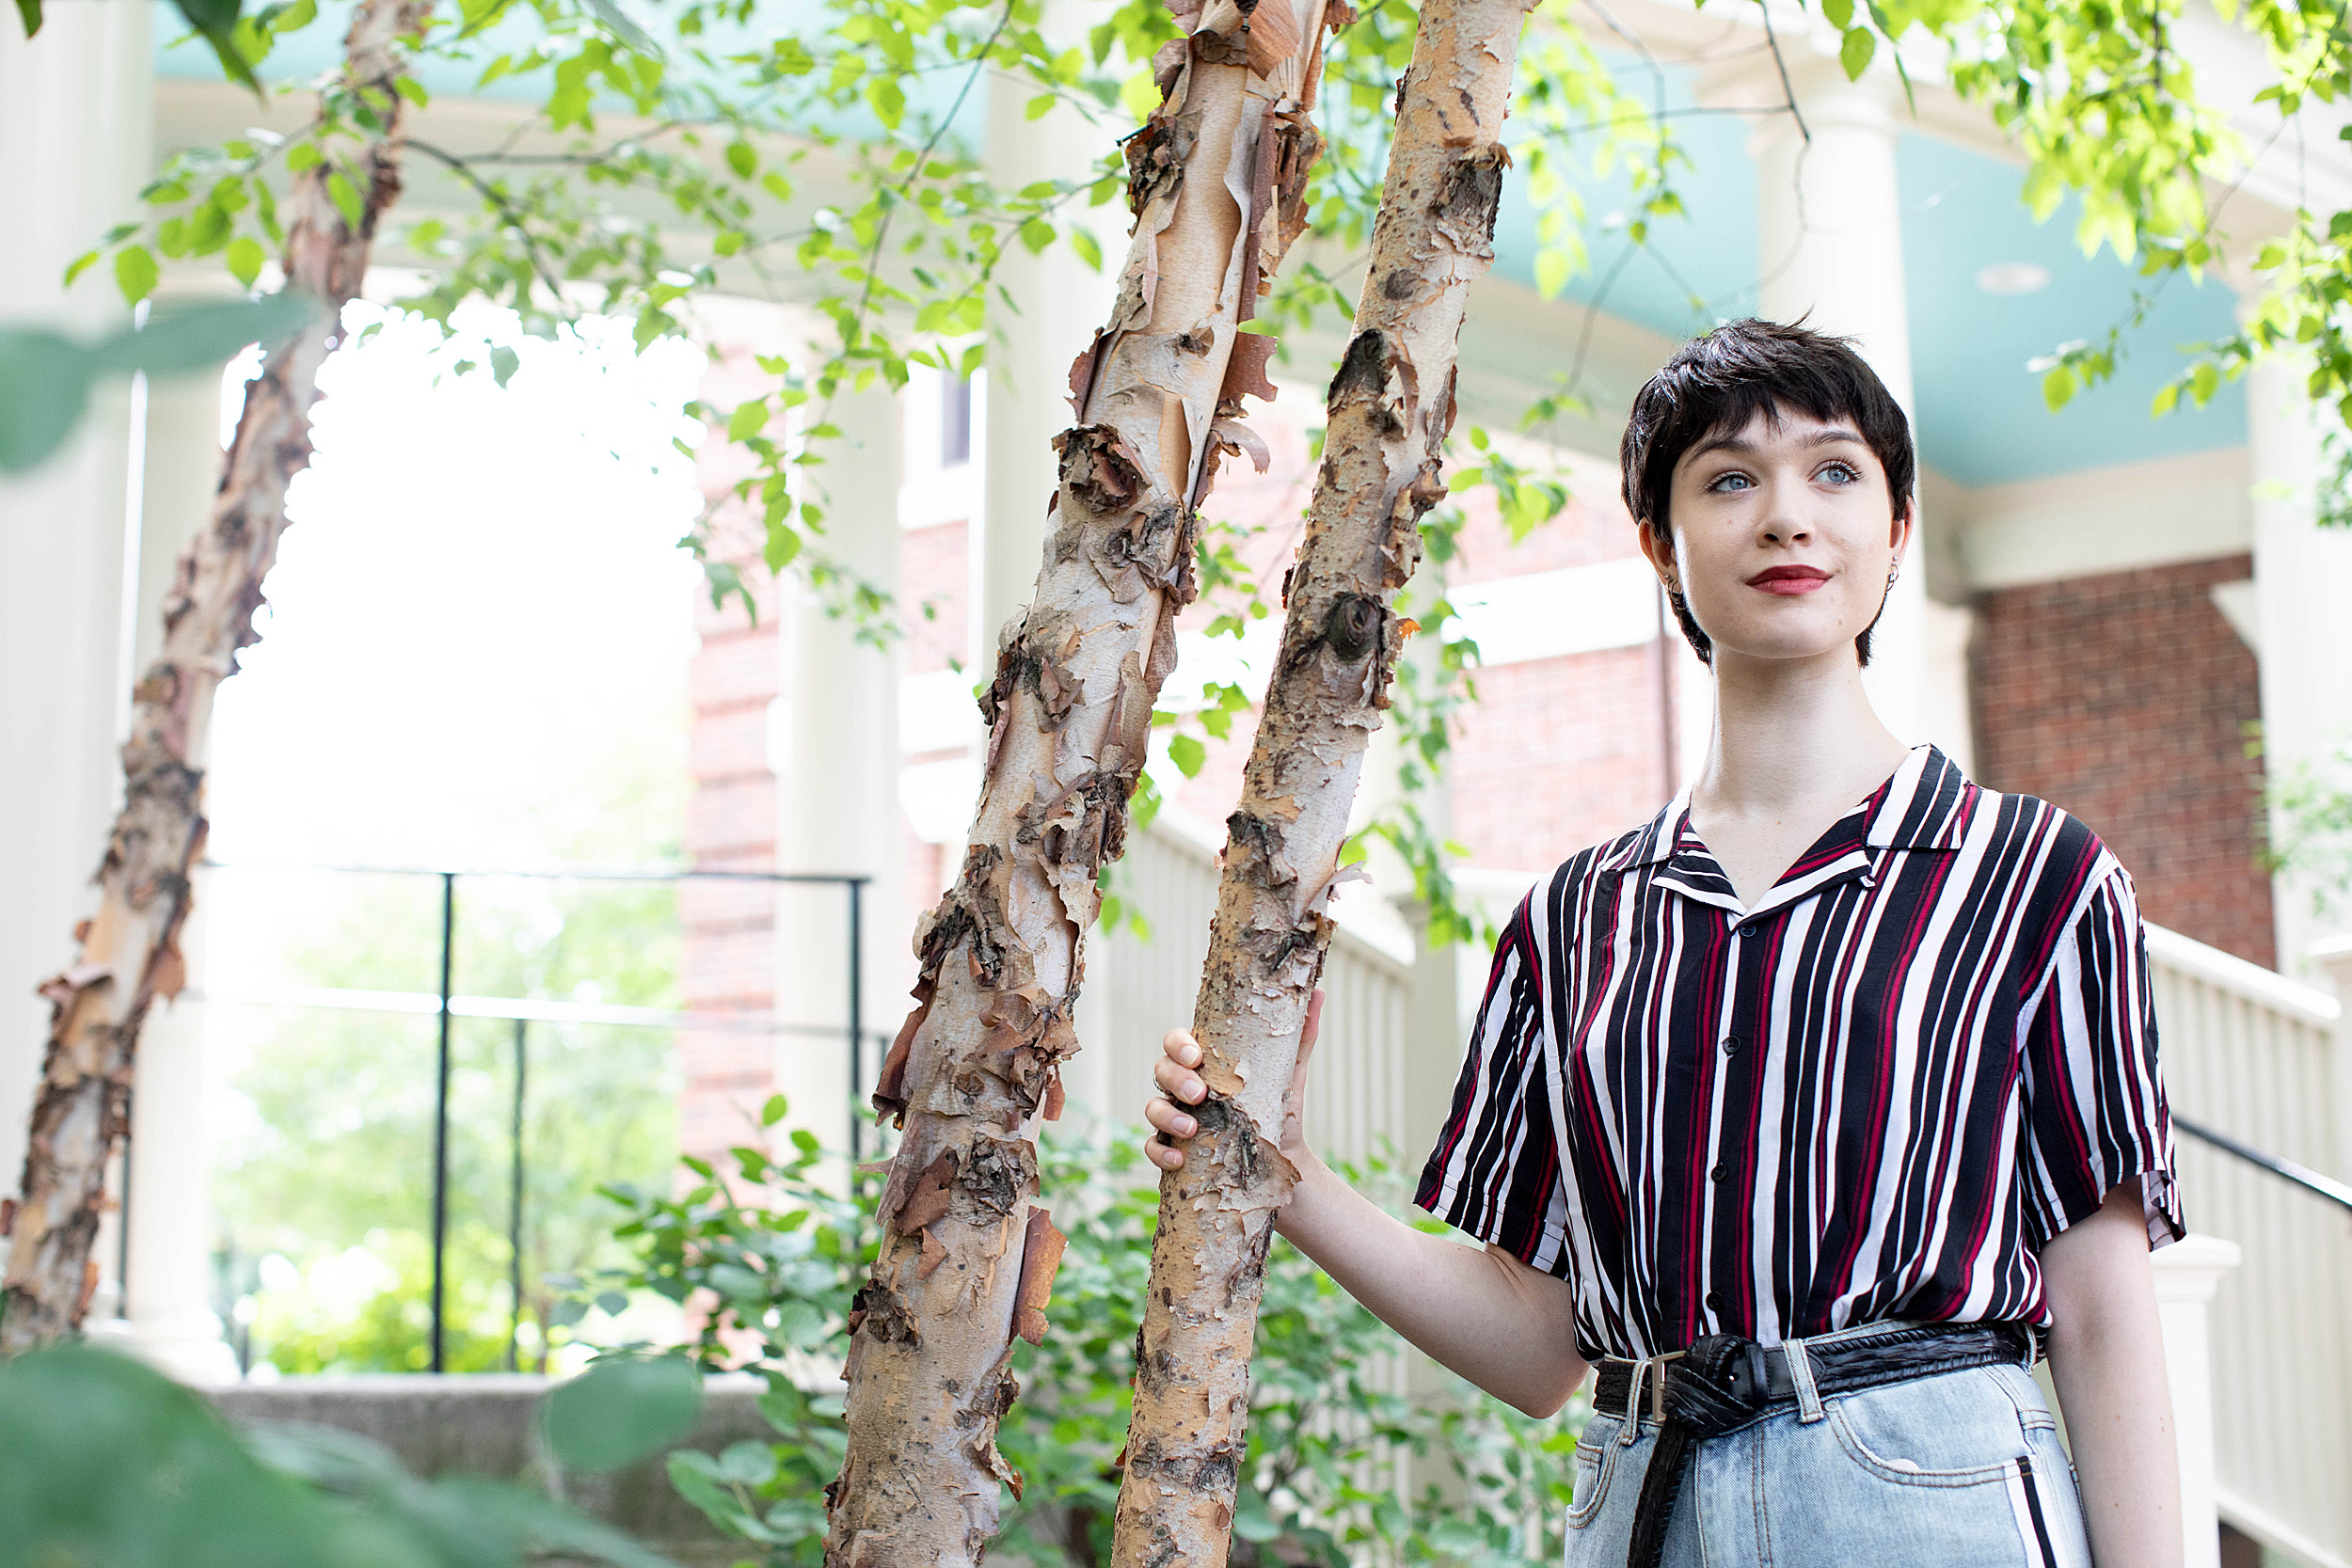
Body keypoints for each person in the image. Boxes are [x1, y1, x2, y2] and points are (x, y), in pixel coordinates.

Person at [1142, 318, 2185, 1568]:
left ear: (1896, 528)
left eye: (1836, 472)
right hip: (1649, 1504)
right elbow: (1539, 1345)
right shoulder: (1575, 921)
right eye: (1730, 478)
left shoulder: (2034, 878)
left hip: (1939, 1499)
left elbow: (2106, 1312)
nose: (1787, 516)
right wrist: (1289, 1176)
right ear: (1659, 541)